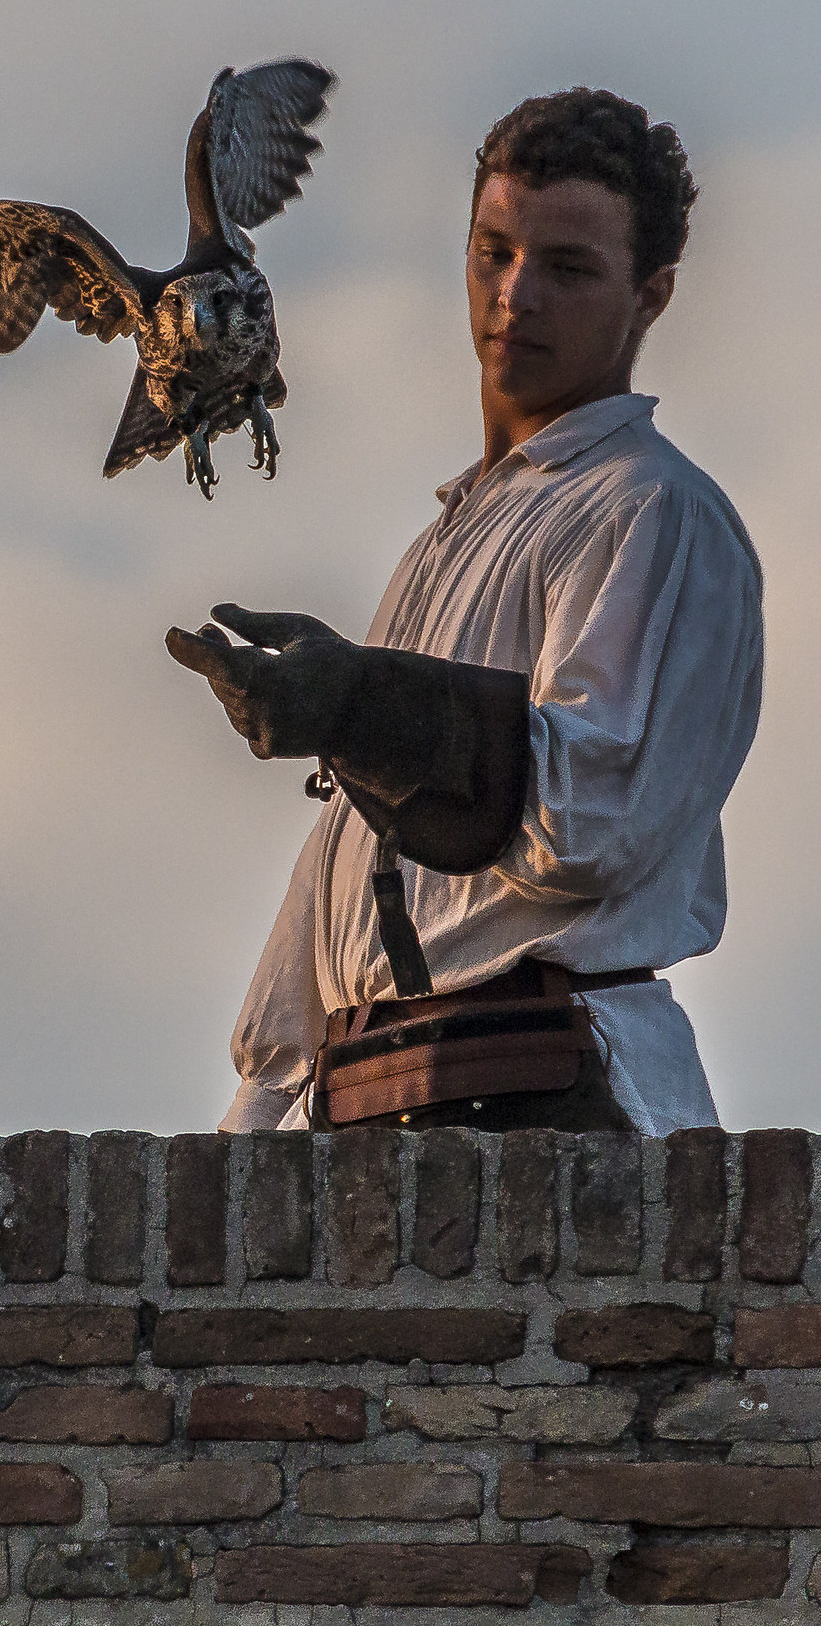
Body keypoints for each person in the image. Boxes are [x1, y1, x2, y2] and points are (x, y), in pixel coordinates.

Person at [167, 88, 761, 1135]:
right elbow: (356, 862)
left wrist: (363, 705)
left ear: (653, 294)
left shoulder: (652, 510)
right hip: (381, 1094)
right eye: (494, 252)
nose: (515, 294)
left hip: (554, 1094)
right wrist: (254, 1124)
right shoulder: (448, 539)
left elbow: (586, 823)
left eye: (568, 268)